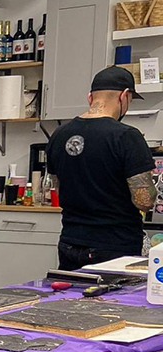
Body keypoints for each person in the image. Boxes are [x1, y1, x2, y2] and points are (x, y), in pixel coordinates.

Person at [48, 66, 157, 270]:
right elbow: (144, 201)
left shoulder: (59, 135)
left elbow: (59, 189)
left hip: (70, 243)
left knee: (69, 301)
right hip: (115, 247)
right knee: (112, 302)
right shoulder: (127, 136)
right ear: (124, 96)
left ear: (90, 97)